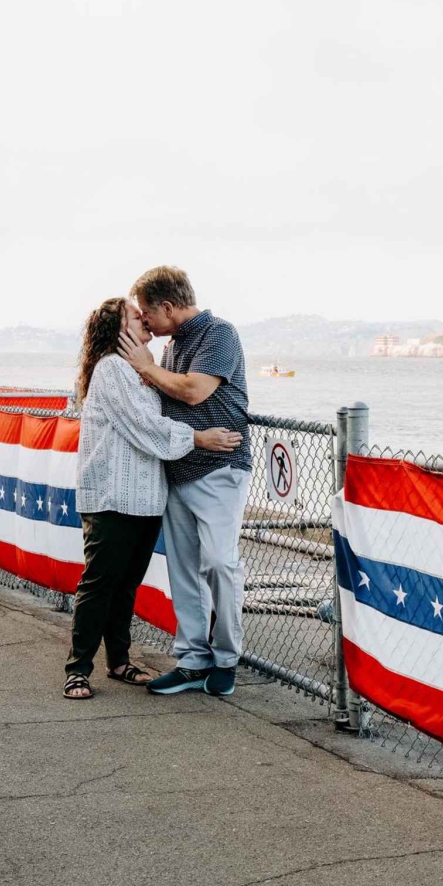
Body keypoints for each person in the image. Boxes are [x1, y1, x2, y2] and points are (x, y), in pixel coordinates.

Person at [64, 297, 241, 701]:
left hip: (146, 499)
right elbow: (144, 426)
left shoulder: (142, 370)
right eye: (134, 316)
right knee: (98, 583)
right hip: (111, 497)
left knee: (126, 585)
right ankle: (78, 669)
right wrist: (199, 438)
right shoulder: (110, 370)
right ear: (119, 331)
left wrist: (150, 371)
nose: (144, 319)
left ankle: (119, 661)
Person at [118, 266, 252, 697]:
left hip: (219, 468)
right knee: (184, 572)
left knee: (219, 563)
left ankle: (227, 658)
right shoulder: (173, 346)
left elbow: (194, 391)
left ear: (168, 307)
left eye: (147, 313)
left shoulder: (219, 333)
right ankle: (193, 660)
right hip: (179, 471)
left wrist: (145, 366)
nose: (145, 321)